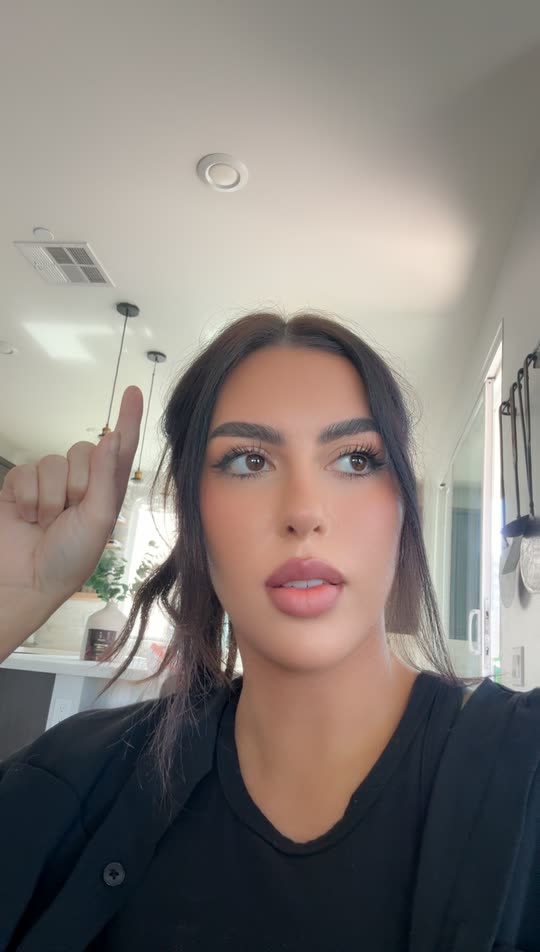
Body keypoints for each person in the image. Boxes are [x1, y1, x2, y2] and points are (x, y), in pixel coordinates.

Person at [0, 310, 538, 952]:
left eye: (356, 459)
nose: (304, 512)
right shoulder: (74, 779)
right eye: (249, 461)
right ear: (192, 510)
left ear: (403, 504)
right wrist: (12, 601)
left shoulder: (525, 766)